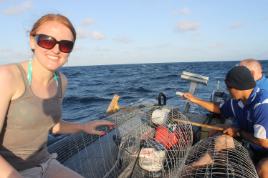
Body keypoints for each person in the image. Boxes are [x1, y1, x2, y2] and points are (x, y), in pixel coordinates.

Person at [0, 14, 114, 178]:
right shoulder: (7, 76)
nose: (56, 49)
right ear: (33, 41)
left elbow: (51, 125)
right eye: (47, 40)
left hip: (44, 164)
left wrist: (83, 126)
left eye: (65, 45)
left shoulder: (61, 81)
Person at [181, 66, 268, 178]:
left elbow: (263, 142)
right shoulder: (237, 102)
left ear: (237, 87)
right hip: (250, 146)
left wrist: (238, 132)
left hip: (265, 150)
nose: (227, 91)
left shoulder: (262, 105)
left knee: (264, 168)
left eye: (228, 88)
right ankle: (193, 168)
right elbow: (219, 108)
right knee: (222, 140)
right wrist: (194, 99)